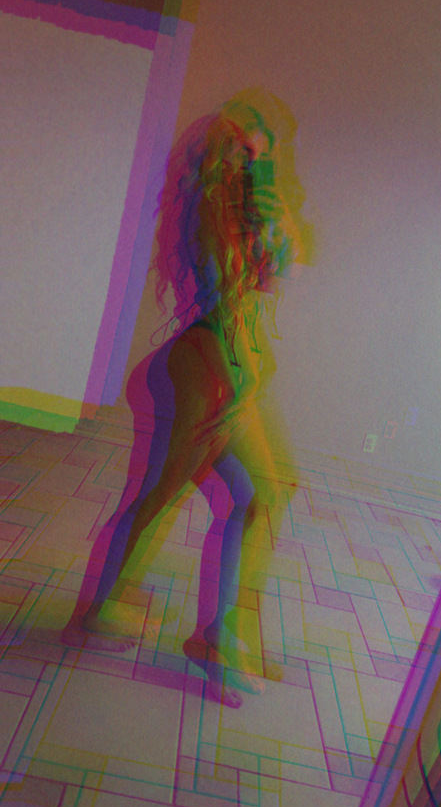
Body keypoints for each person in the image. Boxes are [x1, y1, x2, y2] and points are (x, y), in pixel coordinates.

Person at [62, 93, 303, 707]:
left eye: (261, 155)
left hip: (223, 372)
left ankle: (222, 633)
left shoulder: (247, 208)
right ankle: (107, 612)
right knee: (159, 497)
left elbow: (272, 277)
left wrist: (272, 223)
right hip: (201, 370)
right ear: (221, 145)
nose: (252, 164)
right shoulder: (207, 206)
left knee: (262, 494)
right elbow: (222, 295)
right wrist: (237, 377)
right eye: (243, 149)